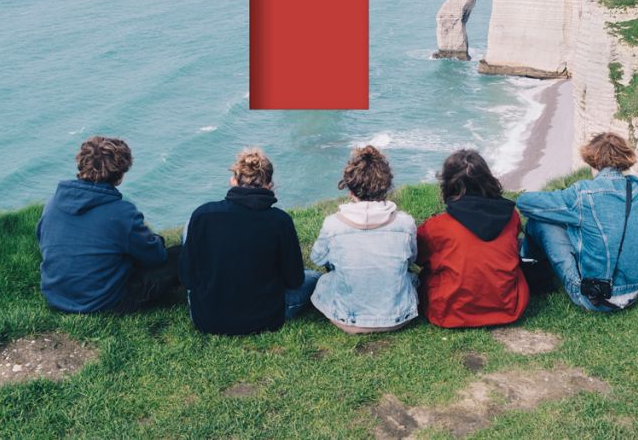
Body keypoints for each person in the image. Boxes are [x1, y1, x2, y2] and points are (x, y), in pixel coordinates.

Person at [179, 148, 318, 335]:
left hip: (207, 317)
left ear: (233, 181)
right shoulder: (280, 221)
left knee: (190, 226)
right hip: (264, 317)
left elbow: (187, 277)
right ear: (269, 185)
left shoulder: (203, 214)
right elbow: (294, 280)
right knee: (315, 278)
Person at [37, 136, 180, 314]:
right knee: (179, 255)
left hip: (56, 295)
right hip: (101, 302)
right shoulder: (121, 212)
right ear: (119, 176)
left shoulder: (52, 204)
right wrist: (155, 240)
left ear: (81, 166)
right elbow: (156, 257)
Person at [517, 132, 638, 312]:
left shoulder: (585, 193)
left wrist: (563, 198)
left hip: (595, 297)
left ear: (593, 162)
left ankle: (529, 266)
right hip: (634, 291)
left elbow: (525, 203)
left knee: (539, 221)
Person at [310, 146, 418, 334]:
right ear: (386, 186)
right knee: (412, 279)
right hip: (398, 317)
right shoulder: (405, 223)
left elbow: (317, 259)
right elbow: (412, 260)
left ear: (350, 189)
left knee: (323, 280)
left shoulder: (333, 224)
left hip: (345, 318)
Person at [417, 150, 529, 327]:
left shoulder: (436, 226)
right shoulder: (511, 217)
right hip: (507, 308)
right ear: (488, 180)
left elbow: (418, 257)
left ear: (447, 185)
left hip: (449, 312)